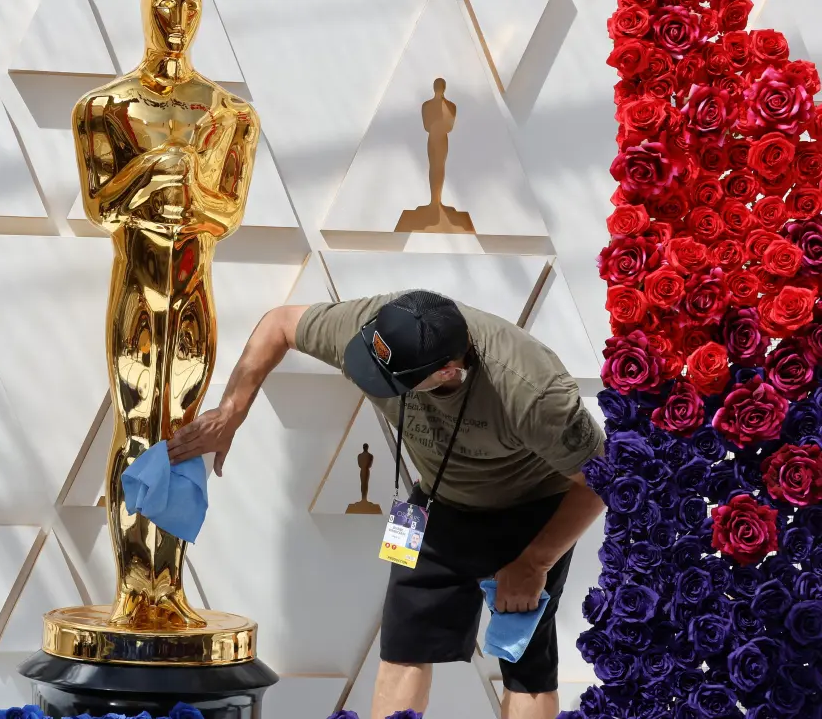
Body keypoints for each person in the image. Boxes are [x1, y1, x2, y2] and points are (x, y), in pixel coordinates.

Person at [168, 290, 606, 719]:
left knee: (525, 658)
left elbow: (604, 479)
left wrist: (535, 562)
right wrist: (231, 412)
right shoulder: (374, 326)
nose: (367, 377)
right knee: (403, 642)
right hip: (435, 504)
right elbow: (279, 324)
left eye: (389, 380)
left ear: (447, 372)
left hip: (530, 512)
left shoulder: (531, 391)